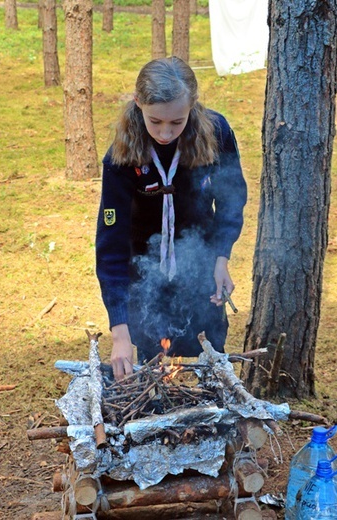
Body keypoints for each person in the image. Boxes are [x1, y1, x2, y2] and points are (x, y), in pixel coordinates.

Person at [96, 56, 247, 381]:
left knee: (210, 361)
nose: (165, 133)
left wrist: (221, 258)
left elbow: (232, 199)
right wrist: (120, 332)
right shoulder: (121, 156)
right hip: (145, 275)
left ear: (192, 106)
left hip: (201, 268)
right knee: (154, 365)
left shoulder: (216, 132)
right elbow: (111, 247)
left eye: (176, 123)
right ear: (138, 103)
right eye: (155, 121)